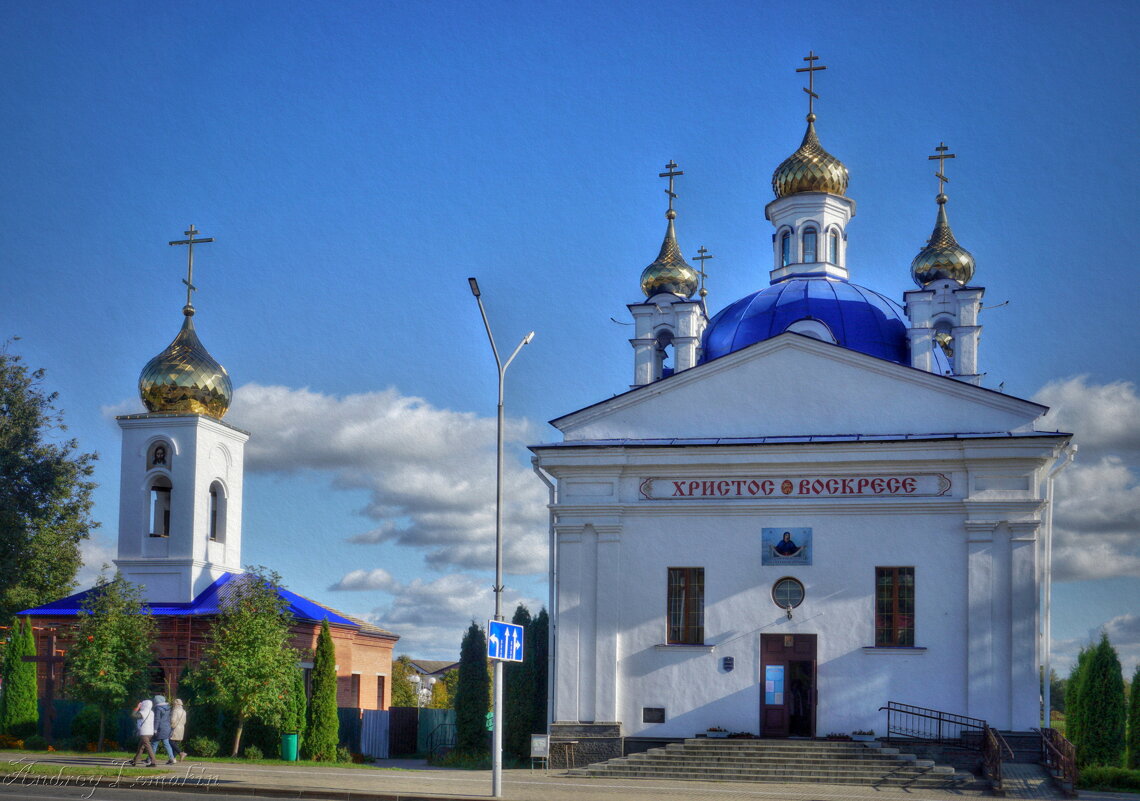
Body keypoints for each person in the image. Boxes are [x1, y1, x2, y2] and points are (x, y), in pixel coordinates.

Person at [128, 698, 157, 766]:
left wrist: (138, 707)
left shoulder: (143, 712)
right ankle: (134, 761)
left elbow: (133, 715)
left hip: (144, 732)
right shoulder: (151, 712)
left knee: (148, 747)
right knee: (141, 747)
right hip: (150, 732)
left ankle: (153, 762)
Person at [152, 694, 179, 764]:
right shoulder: (168, 707)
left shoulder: (158, 708)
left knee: (154, 744)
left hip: (160, 728)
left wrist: (155, 729)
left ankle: (150, 758)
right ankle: (172, 758)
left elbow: (157, 719)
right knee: (167, 744)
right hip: (167, 728)